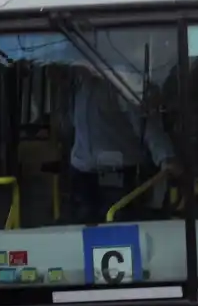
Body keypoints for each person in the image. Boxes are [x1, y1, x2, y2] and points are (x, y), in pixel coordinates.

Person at [67, 66, 177, 224]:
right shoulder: (79, 87)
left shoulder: (122, 87)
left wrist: (165, 158)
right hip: (81, 173)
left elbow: (147, 126)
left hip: (116, 175)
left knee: (117, 233)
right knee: (81, 231)